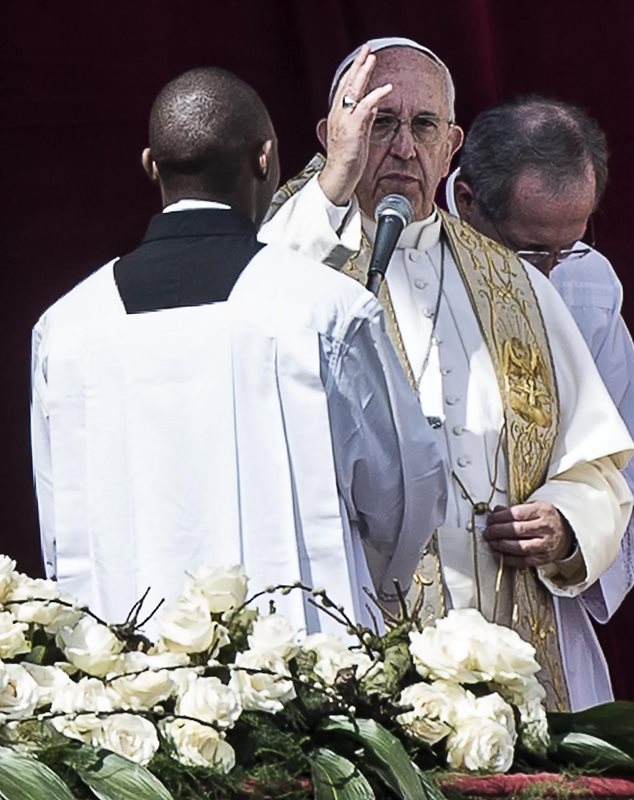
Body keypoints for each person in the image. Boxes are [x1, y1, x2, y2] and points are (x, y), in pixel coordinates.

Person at [260, 39, 634, 711]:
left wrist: (565, 522)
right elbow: (250, 331)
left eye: (424, 126)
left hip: (497, 655)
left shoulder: (516, 284)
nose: (404, 147)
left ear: (451, 142)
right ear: (332, 134)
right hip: (349, 646)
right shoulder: (286, 253)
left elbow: (601, 474)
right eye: (379, 123)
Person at [30, 67, 446, 634]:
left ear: (151, 165)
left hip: (127, 678)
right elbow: (404, 498)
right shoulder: (326, 311)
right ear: (266, 159)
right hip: (300, 673)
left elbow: (58, 524)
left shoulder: (66, 327)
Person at [445, 95, 634, 702]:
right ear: (468, 201)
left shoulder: (586, 280)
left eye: (566, 247)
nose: (548, 275)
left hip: (536, 605)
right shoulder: (400, 261)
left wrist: (572, 526)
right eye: (528, 252)